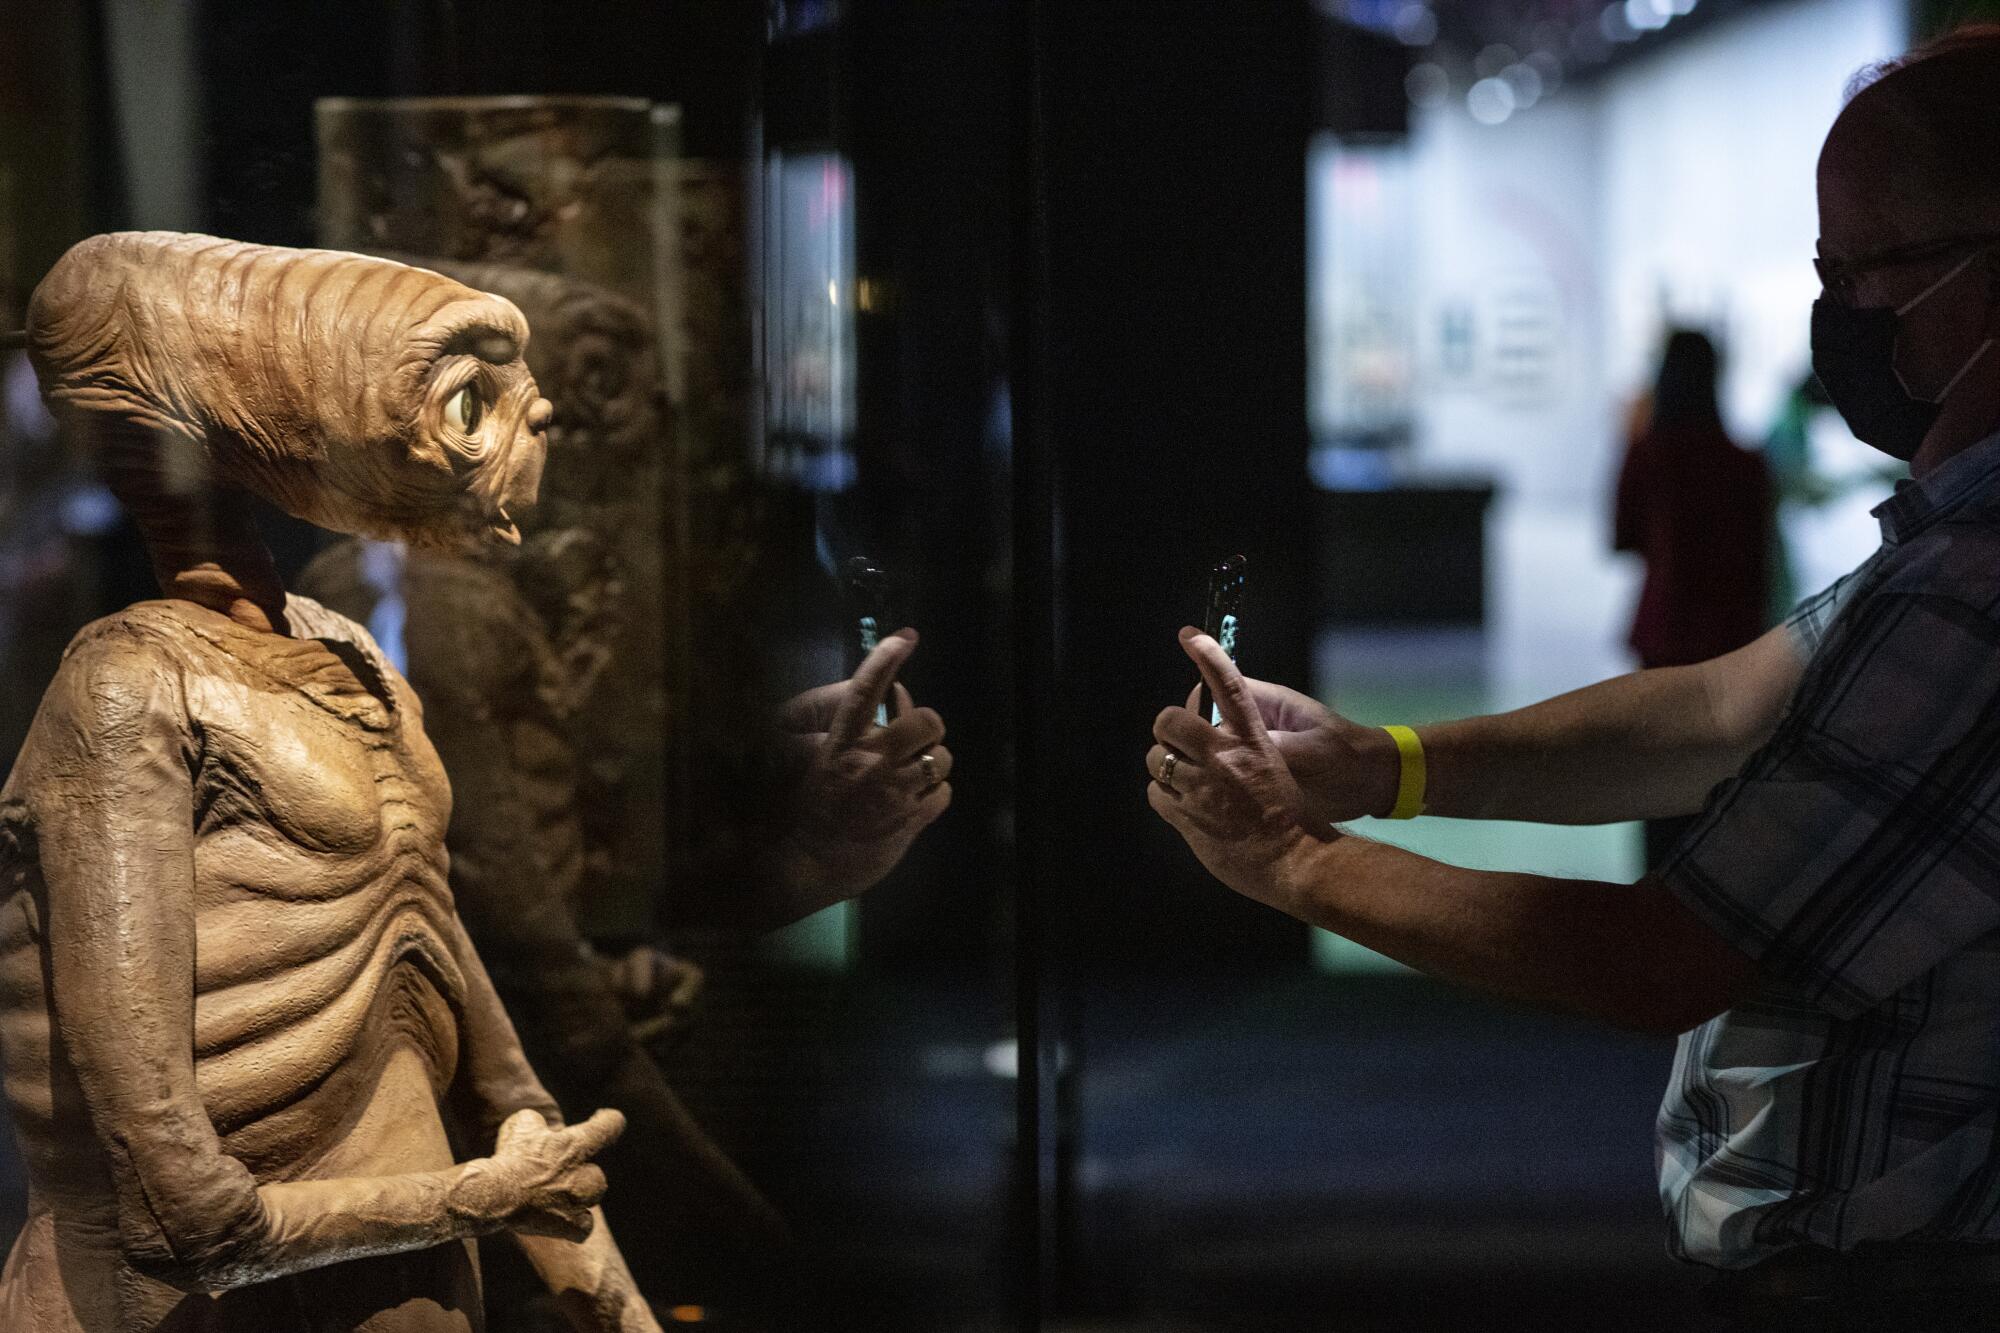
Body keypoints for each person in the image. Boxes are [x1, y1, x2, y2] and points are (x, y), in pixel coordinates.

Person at [1147, 28, 2000, 1330]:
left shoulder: (1973, 587)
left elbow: (1662, 958)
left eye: (1871, 267)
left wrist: (1296, 860)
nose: (1846, 312)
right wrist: (1383, 763)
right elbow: (1719, 707)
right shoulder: (1948, 549)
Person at [1612, 329, 1773, 867]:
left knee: (1657, 780)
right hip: (1734, 641)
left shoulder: (1647, 454)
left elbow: (1620, 538)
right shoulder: (1746, 462)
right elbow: (1759, 560)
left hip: (1664, 636)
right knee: (1722, 783)